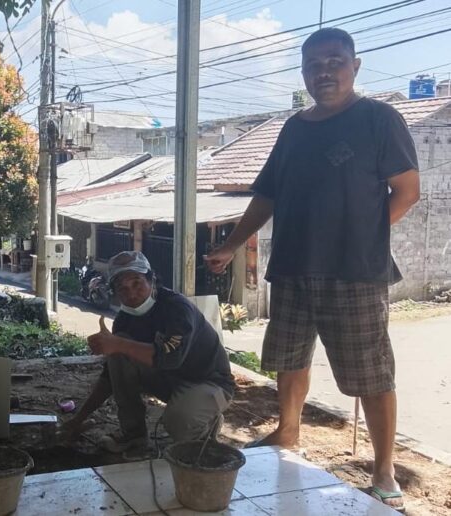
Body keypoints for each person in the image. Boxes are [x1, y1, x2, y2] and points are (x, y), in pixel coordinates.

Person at [204, 28, 419, 511]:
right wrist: (232, 246)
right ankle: (289, 430)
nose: (324, 71)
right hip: (295, 265)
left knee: (372, 372)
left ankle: (383, 468)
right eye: (314, 65)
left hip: (356, 271)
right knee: (290, 357)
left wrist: (363, 232)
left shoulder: (379, 119)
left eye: (334, 61)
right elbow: (268, 196)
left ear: (355, 66)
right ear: (304, 73)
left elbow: (407, 190)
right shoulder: (294, 129)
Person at [60, 251, 235, 453]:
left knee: (179, 424)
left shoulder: (177, 308)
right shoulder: (124, 320)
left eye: (137, 283)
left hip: (209, 382)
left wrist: (117, 344)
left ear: (152, 279)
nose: (131, 294)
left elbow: (170, 359)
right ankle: (133, 436)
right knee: (119, 350)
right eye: (122, 288)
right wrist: (77, 419)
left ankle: (205, 426)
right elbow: (111, 378)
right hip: (170, 380)